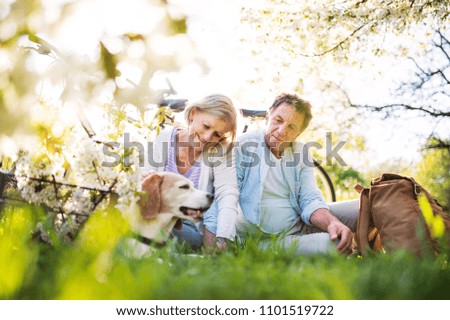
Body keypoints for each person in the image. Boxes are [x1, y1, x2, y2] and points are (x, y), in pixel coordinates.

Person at [235, 93, 358, 255]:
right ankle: (358, 242)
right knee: (334, 245)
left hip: (300, 221)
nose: (281, 131)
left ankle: (379, 245)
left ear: (298, 134)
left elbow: (310, 199)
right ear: (267, 118)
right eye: (278, 120)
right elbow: (226, 196)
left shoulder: (301, 152)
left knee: (364, 206)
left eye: (291, 127)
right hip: (267, 240)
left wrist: (332, 223)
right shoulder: (245, 145)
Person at [144, 94, 239, 251]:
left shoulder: (220, 152)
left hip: (188, 226)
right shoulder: (164, 138)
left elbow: (228, 194)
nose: (207, 137)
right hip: (157, 214)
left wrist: (223, 236)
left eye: (217, 135)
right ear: (193, 113)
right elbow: (146, 183)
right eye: (206, 126)